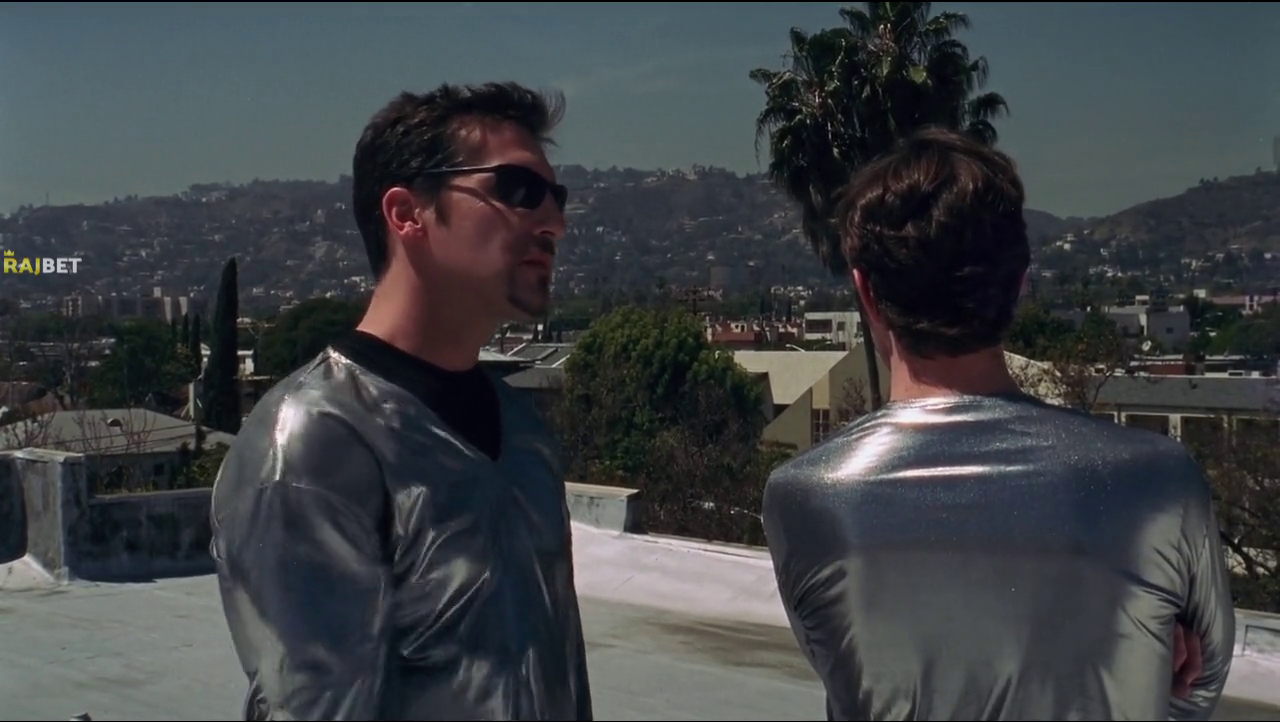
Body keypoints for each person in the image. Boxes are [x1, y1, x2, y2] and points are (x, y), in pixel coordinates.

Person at [761, 128, 1234, 721]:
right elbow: (1197, 692)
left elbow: (849, 669)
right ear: (1019, 282)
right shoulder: (1160, 481)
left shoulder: (805, 498)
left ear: (867, 295)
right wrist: (1137, 656)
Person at [210, 82, 592, 721]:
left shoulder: (523, 429)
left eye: (558, 197)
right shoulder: (314, 441)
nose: (554, 221)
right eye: (518, 190)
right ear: (407, 212)